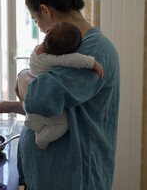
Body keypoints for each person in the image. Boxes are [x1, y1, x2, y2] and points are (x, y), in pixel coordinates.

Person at [0, 0, 120, 190]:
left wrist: (22, 75)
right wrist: (11, 106)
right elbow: (64, 106)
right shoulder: (71, 47)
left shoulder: (94, 50)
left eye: (37, 20)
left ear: (46, 10)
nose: (42, 30)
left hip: (75, 179)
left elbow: (43, 98)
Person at [25, 21, 104, 149]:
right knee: (61, 125)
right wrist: (92, 63)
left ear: (48, 30)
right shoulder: (50, 59)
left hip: (29, 103)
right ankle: (41, 140)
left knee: (41, 120)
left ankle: (32, 121)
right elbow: (73, 59)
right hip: (42, 103)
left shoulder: (36, 51)